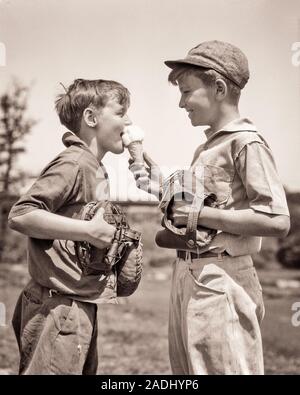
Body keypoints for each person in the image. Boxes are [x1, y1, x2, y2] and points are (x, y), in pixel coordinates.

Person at [130, 40, 290, 375]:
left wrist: (199, 214)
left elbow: (276, 220)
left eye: (187, 92)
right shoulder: (207, 147)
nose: (181, 103)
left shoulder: (246, 142)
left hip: (221, 279)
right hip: (189, 274)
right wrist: (159, 183)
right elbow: (200, 208)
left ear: (218, 88)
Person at [8, 78, 132, 374]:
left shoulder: (93, 166)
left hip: (75, 302)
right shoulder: (74, 163)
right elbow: (21, 213)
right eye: (120, 112)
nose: (128, 121)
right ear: (91, 118)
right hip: (58, 306)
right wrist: (88, 232)